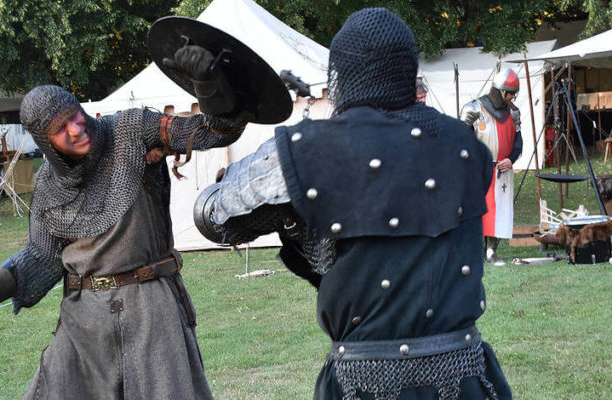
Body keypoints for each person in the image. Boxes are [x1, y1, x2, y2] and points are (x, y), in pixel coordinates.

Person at [194, 8, 512, 400]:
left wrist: (224, 110)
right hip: (464, 379)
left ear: (342, 76)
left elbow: (213, 216)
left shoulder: (308, 149)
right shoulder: (465, 146)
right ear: (406, 70)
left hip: (363, 382)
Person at [0, 45, 249, 399]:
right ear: (46, 143)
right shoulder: (47, 184)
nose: (76, 129)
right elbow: (40, 257)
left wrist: (209, 86)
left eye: (75, 116)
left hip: (151, 310)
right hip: (84, 321)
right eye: (60, 129)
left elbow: (211, 132)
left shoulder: (131, 131)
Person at [461, 68, 523, 264]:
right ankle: (474, 252)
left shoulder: (513, 112)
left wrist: (511, 159)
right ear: (499, 90)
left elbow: (519, 142)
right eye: (510, 91)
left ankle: (490, 252)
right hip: (479, 170)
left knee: (499, 213)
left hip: (502, 170)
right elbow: (462, 140)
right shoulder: (473, 109)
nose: (513, 96)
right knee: (480, 211)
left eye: (514, 92)